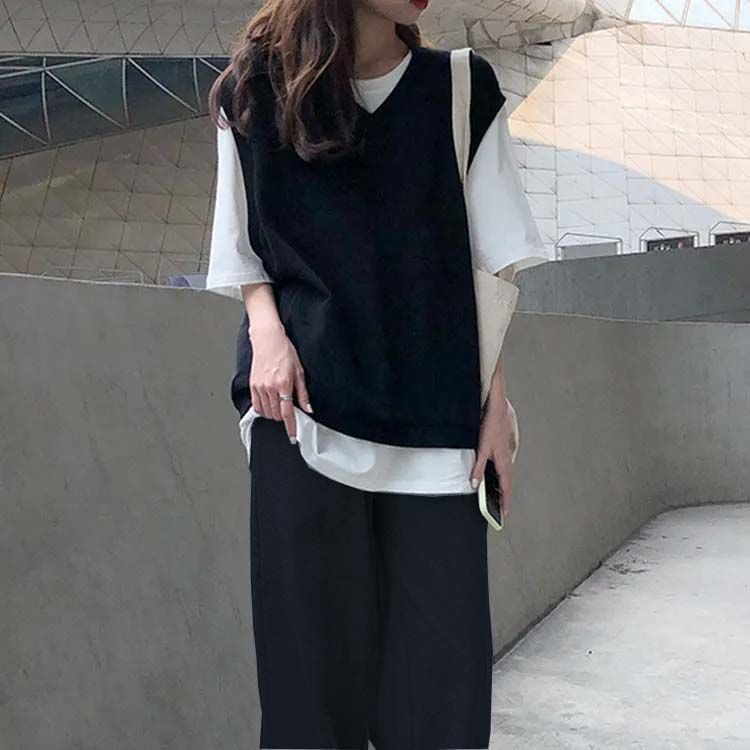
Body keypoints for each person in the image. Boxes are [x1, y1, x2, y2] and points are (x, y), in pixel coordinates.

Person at [204, 0, 552, 747]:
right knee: (308, 704)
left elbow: (490, 268)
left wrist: (495, 404)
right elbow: (241, 248)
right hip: (302, 418)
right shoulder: (252, 90)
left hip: (438, 429)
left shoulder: (460, 87)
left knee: (443, 704)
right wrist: (266, 334)